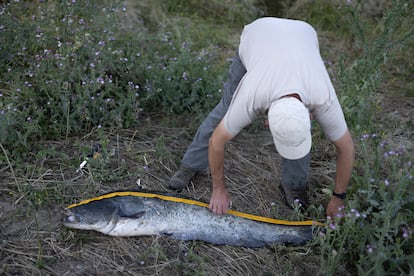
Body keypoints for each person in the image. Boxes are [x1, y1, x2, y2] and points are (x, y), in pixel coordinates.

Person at [168, 17, 355, 219]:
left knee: (295, 131)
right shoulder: (250, 96)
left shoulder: (323, 97)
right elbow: (217, 141)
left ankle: (293, 185)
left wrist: (338, 197)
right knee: (224, 110)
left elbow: (347, 148)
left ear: (310, 115)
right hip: (258, 35)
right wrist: (219, 189)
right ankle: (191, 165)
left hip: (303, 35)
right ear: (266, 122)